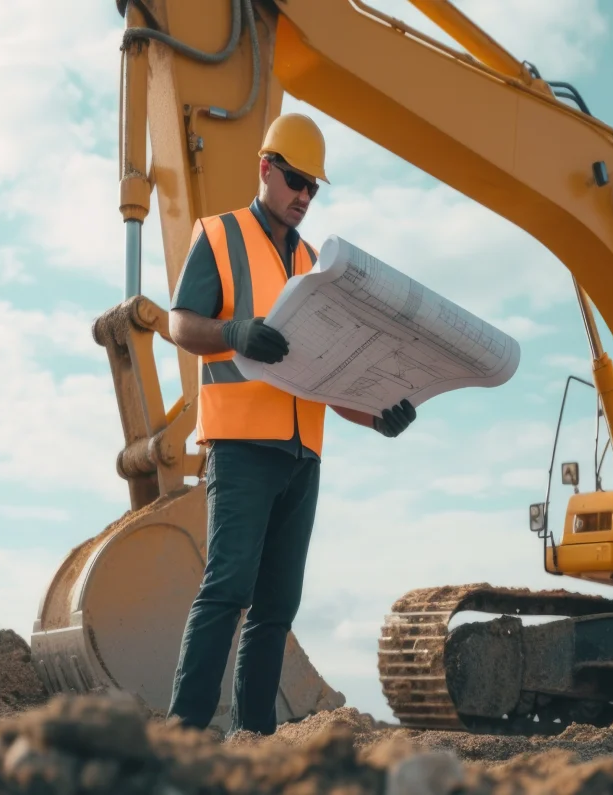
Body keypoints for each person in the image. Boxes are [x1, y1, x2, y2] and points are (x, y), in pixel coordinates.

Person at [165, 113, 417, 736]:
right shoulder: (218, 236)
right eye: (296, 180)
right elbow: (179, 323)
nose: (304, 195)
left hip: (303, 455)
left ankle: (255, 736)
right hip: (242, 445)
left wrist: (377, 417)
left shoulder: (314, 263)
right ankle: (184, 733)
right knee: (228, 589)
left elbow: (327, 377)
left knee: (277, 607)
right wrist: (234, 333)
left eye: (314, 187)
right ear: (265, 169)